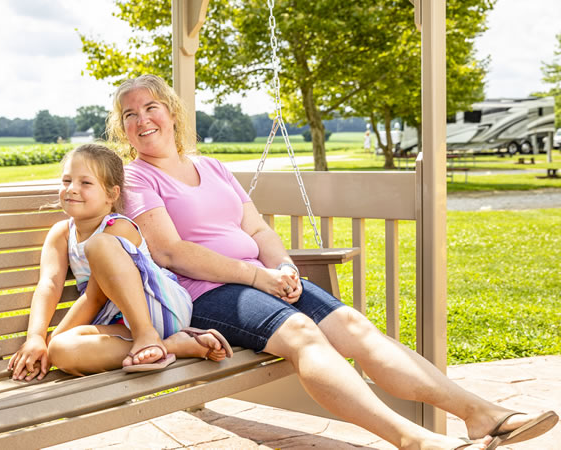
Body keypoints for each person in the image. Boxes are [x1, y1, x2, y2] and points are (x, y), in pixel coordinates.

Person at [106, 74, 558, 450]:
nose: (142, 120)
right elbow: (169, 251)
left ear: (171, 112)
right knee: (305, 334)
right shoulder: (137, 176)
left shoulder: (214, 167)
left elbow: (259, 230)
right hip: (205, 293)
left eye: (150, 108)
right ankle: (415, 441)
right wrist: (256, 276)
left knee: (358, 329)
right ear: (122, 129)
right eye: (130, 114)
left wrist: (283, 269)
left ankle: (481, 414)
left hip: (261, 279)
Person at [8, 144, 232, 379]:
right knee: (62, 350)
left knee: (99, 245)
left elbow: (95, 298)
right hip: (118, 323)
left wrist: (48, 339)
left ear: (111, 195)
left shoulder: (118, 227)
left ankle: (147, 336)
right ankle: (176, 346)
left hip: (156, 306)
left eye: (86, 183)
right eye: (66, 181)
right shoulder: (61, 233)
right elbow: (49, 285)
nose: (72, 189)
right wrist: (37, 340)